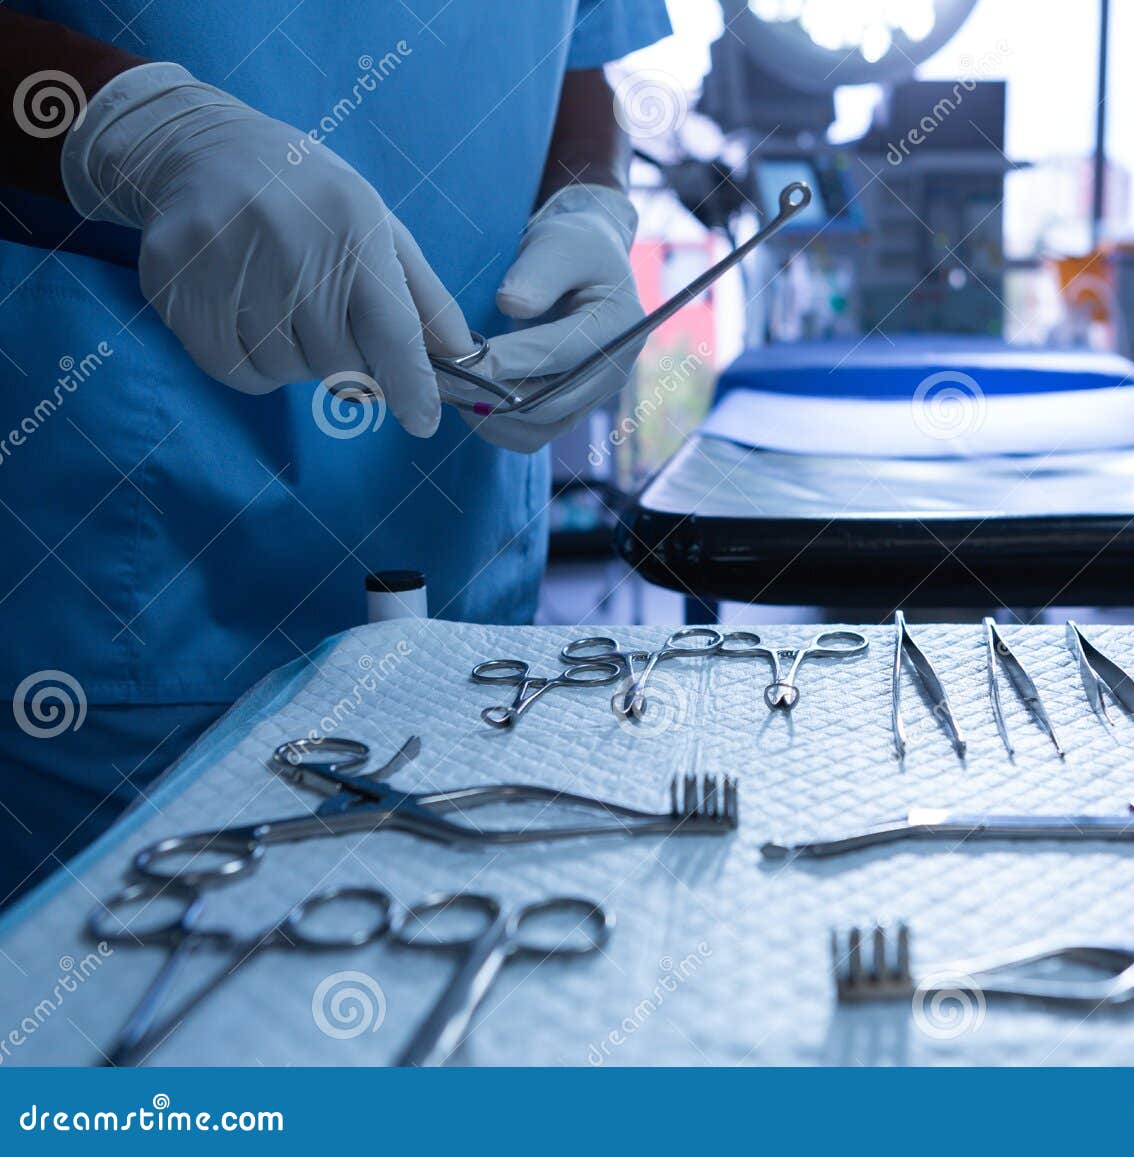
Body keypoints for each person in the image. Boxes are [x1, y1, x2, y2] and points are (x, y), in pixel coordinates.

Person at [0, 1, 670, 905]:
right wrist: (128, 128)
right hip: (122, 586)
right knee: (108, 1000)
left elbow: (578, 64)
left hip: (461, 545)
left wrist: (590, 208)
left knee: (472, 966)